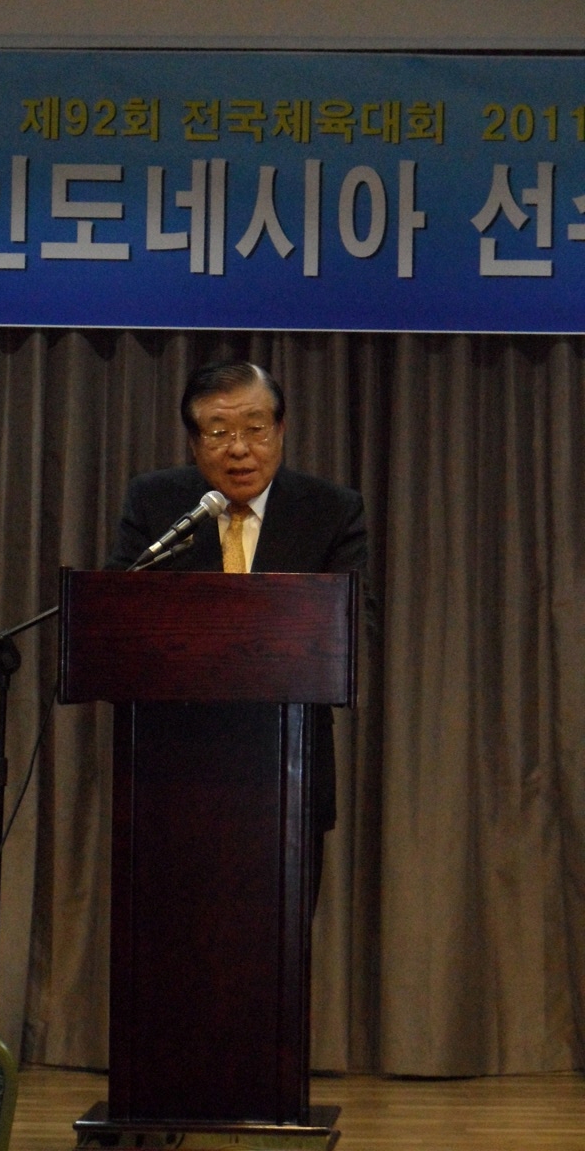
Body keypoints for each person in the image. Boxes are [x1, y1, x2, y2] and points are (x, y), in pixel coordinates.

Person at [106, 359, 369, 899]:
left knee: (282, 936)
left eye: (256, 429)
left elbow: (352, 630)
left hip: (287, 773)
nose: (240, 449)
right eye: (219, 432)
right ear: (194, 442)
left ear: (281, 430)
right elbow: (116, 616)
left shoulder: (330, 511)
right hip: (171, 773)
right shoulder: (157, 503)